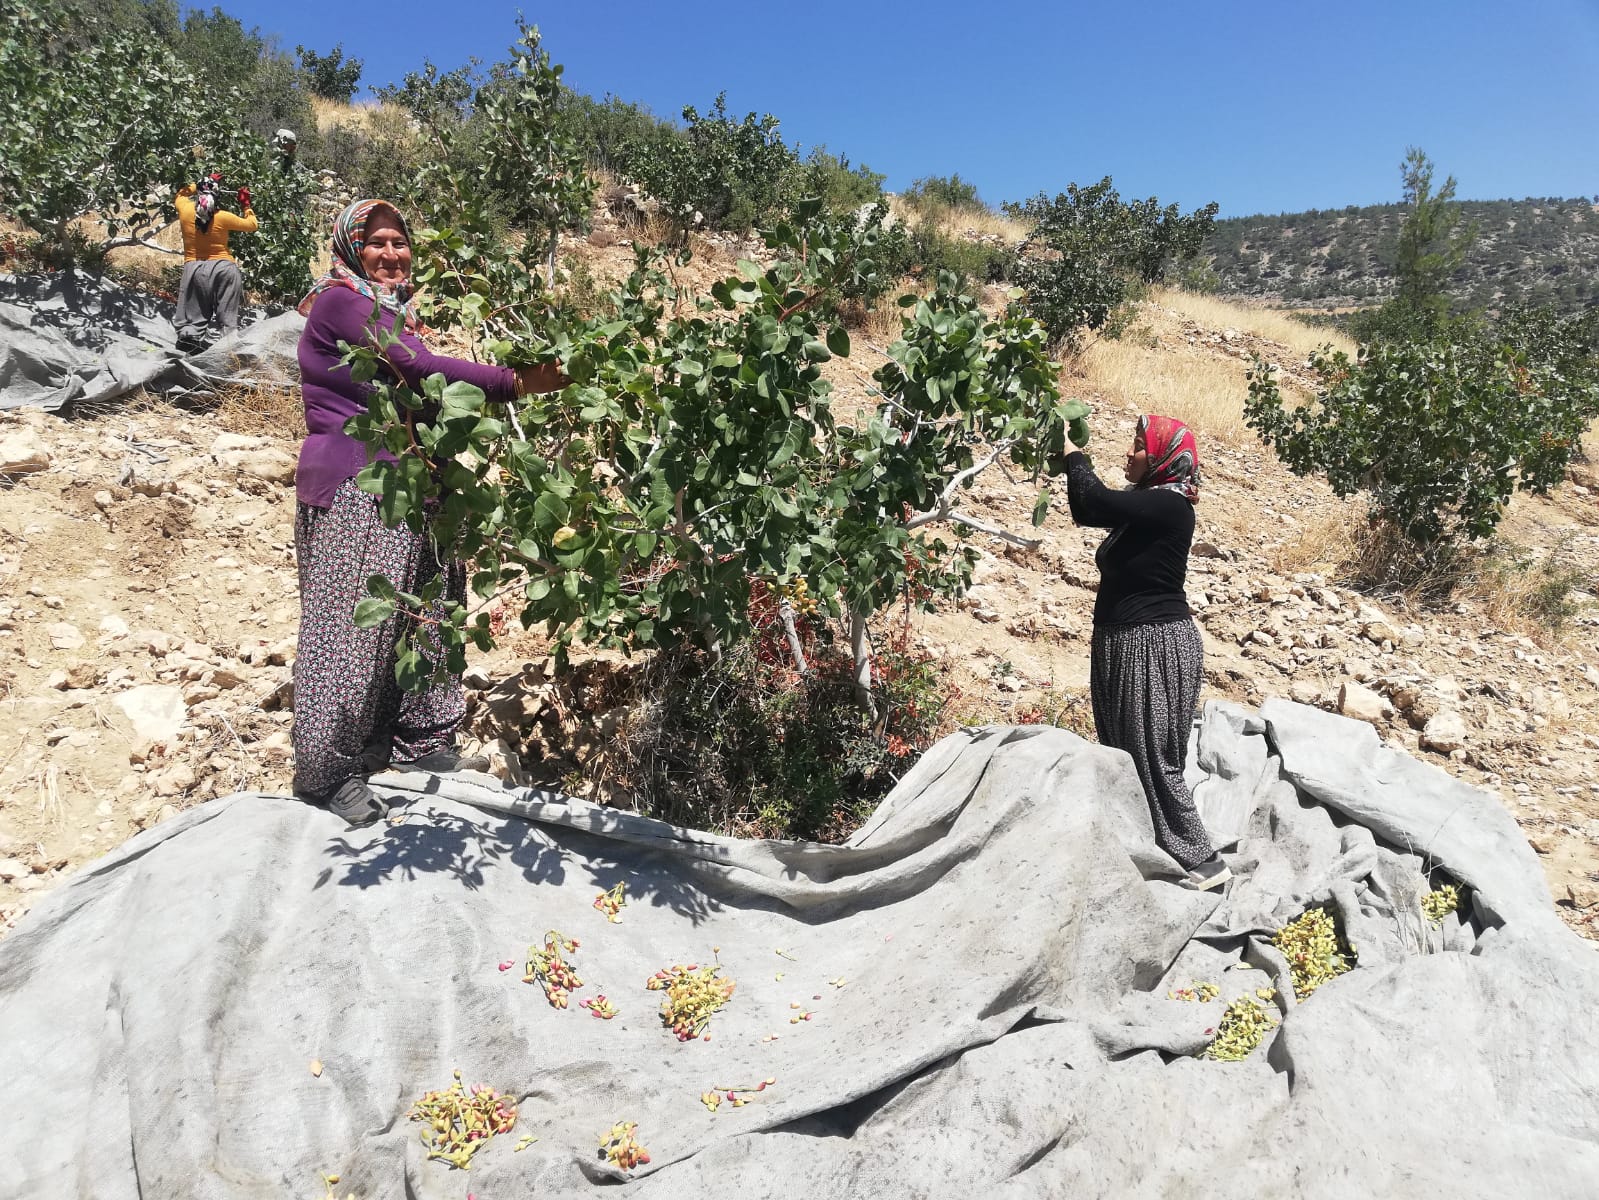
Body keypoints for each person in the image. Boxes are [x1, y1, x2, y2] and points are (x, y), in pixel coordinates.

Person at [292, 198, 567, 826]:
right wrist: (518, 381)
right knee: (350, 629)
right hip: (358, 483)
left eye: (400, 242)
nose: (391, 254)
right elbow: (415, 369)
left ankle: (420, 743)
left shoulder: (399, 316)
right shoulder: (339, 303)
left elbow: (429, 386)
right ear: (349, 247)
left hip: (417, 485)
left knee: (427, 612)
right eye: (376, 242)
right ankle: (325, 773)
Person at [1063, 415, 1230, 891]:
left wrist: (1074, 453)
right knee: (1126, 750)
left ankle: (1204, 861)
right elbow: (1089, 504)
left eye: (1138, 447)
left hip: (1151, 644)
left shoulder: (1170, 506)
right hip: (1126, 641)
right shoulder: (1147, 504)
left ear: (1162, 457)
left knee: (1151, 754)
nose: (1129, 454)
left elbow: (1090, 503)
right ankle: (1148, 842)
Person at [173, 173, 258, 351]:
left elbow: (180, 194)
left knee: (192, 316)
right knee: (227, 319)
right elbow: (252, 225)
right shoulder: (223, 217)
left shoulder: (185, 211)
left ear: (199, 194)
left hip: (194, 268)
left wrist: (202, 182)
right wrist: (245, 204)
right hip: (224, 269)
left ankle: (189, 342)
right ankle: (228, 350)